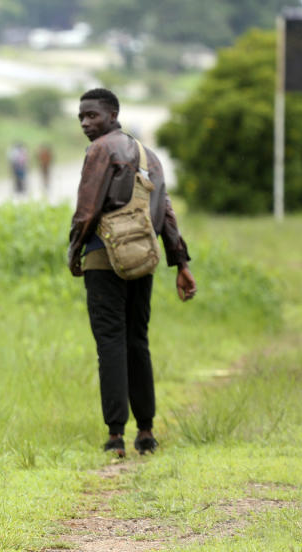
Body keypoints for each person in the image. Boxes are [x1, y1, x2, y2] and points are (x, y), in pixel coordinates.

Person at [68, 88, 197, 457]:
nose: (85, 123)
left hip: (103, 259)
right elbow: (166, 212)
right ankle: (146, 431)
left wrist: (75, 250)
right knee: (137, 341)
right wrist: (181, 264)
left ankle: (114, 436)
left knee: (110, 342)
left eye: (92, 115)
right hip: (143, 259)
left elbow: (87, 209)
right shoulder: (150, 156)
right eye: (81, 117)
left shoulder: (100, 150)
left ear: (112, 114)